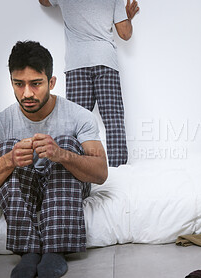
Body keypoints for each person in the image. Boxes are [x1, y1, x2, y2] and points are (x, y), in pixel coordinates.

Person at [0, 40, 108, 278]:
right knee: (5, 149)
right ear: (11, 82)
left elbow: (101, 173)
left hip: (67, 186)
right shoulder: (0, 123)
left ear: (51, 82)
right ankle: (29, 251)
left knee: (66, 143)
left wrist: (61, 154)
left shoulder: (78, 116)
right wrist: (8, 160)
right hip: (25, 187)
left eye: (36, 84)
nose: (27, 93)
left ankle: (56, 251)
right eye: (19, 84)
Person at [39, 0, 140, 167]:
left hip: (77, 64)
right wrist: (127, 18)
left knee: (76, 123)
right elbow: (125, 34)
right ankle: (119, 172)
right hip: (105, 61)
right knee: (113, 120)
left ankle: (78, 170)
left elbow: (43, 2)